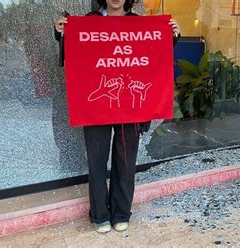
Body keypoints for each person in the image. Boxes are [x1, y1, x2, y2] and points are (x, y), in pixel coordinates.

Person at [53, 0, 180, 233]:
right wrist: (61, 32)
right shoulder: (88, 22)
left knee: (125, 161)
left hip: (130, 106)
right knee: (97, 161)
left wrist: (171, 35)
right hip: (96, 106)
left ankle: (121, 212)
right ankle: (100, 214)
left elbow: (154, 57)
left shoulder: (139, 24)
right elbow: (72, 57)